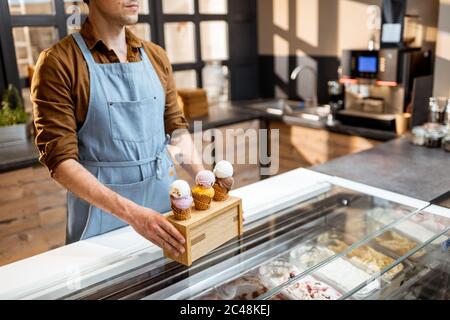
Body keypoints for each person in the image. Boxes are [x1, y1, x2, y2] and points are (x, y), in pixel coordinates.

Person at [31, 0, 204, 257]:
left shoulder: (156, 56)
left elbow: (176, 131)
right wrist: (134, 215)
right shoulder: (59, 63)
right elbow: (61, 161)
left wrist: (204, 181)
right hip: (102, 220)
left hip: (166, 209)